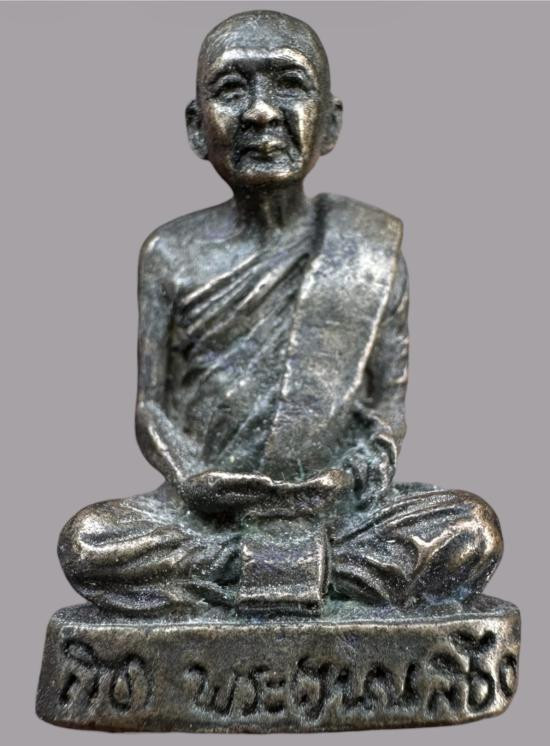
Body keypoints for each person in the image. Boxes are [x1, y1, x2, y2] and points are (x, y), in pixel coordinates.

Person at [58, 10, 502, 615]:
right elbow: (152, 407)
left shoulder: (367, 251)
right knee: (88, 541)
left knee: (471, 527)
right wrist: (189, 480)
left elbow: (386, 411)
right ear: (196, 127)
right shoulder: (169, 253)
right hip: (210, 515)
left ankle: (249, 574)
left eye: (289, 85)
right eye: (231, 89)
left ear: (331, 124)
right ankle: (300, 572)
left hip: (334, 510)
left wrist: (352, 475)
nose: (261, 112)